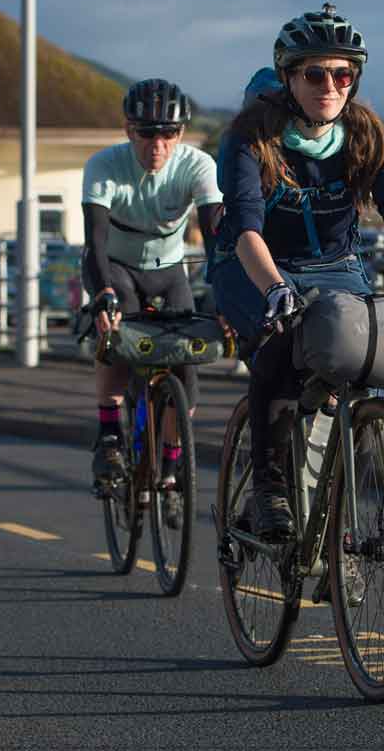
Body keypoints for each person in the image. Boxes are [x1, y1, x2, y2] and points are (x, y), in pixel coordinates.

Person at [211, 4, 384, 541]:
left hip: (336, 265)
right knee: (279, 348)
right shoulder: (251, 136)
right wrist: (275, 290)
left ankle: (344, 497)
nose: (330, 86)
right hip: (253, 263)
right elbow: (245, 227)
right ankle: (269, 489)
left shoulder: (367, 134)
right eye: (315, 74)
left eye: (342, 75)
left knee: (366, 356)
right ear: (289, 77)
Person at [81, 78, 222, 517]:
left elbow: (216, 238)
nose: (157, 145)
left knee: (187, 361)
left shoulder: (198, 164)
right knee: (118, 336)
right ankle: (109, 435)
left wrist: (225, 297)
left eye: (168, 134)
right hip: (115, 266)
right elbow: (95, 240)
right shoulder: (104, 165)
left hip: (169, 271)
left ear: (181, 133)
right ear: (128, 129)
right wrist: (103, 294)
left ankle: (172, 469)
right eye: (146, 133)